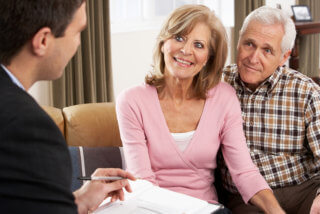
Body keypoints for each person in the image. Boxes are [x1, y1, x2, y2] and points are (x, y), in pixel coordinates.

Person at [116, 4, 285, 213]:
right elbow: (143, 180)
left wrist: (277, 211)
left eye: (198, 45)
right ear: (162, 43)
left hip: (206, 209)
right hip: (149, 207)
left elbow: (244, 172)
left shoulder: (224, 98)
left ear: (208, 57)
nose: (186, 50)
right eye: (179, 38)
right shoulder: (131, 101)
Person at [0, 0, 135, 213]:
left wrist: (76, 201)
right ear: (43, 40)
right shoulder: (28, 128)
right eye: (77, 32)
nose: (79, 43)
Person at [219, 5, 320, 214]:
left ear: (284, 57)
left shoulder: (305, 91)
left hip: (302, 189)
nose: (253, 58)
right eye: (249, 44)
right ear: (239, 40)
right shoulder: (218, 84)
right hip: (245, 198)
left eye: (267, 50)